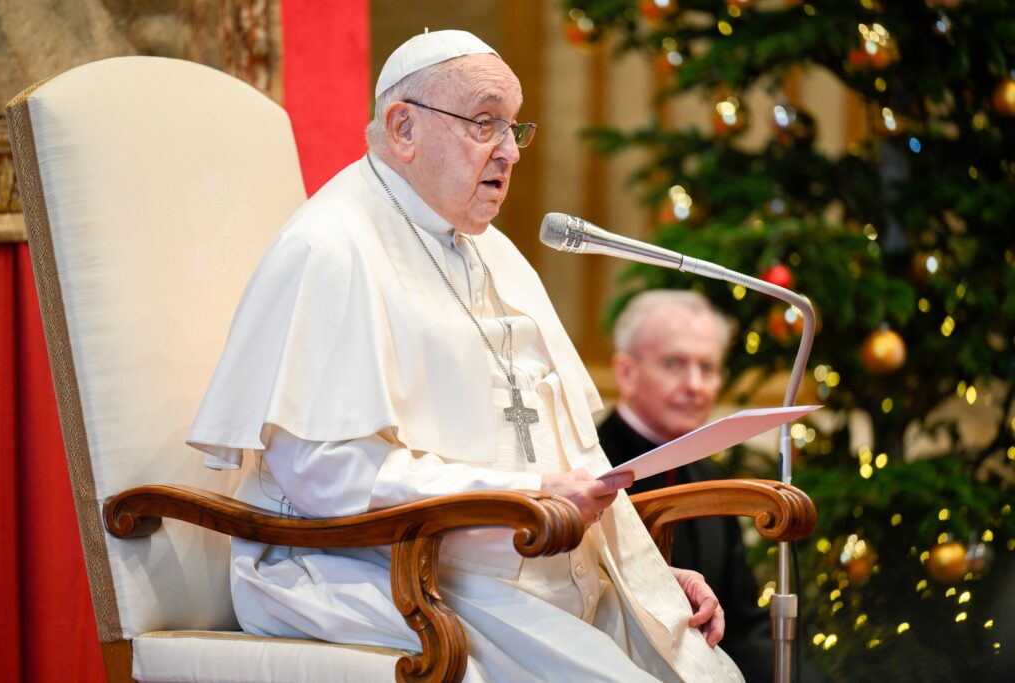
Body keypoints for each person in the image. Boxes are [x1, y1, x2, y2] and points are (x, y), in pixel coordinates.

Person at [187, 30, 743, 682]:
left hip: (505, 553)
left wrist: (643, 576)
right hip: (356, 570)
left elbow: (564, 455)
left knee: (702, 667)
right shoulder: (331, 247)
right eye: (484, 124)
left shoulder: (492, 253)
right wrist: (521, 495)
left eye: (514, 127)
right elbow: (324, 473)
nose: (509, 151)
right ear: (403, 128)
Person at [597, 290, 778, 682]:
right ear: (626, 373)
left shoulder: (713, 479)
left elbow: (745, 626)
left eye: (708, 368)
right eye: (674, 364)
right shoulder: (589, 470)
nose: (695, 385)